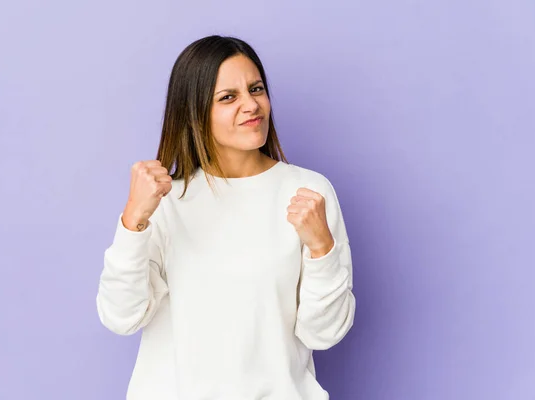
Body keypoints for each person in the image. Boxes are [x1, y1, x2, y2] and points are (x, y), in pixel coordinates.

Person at [96, 35, 356, 400]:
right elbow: (121, 317)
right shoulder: (166, 201)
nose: (252, 105)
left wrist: (322, 247)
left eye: (256, 89)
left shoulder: (308, 192)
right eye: (228, 97)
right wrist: (132, 221)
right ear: (194, 111)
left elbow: (323, 333)